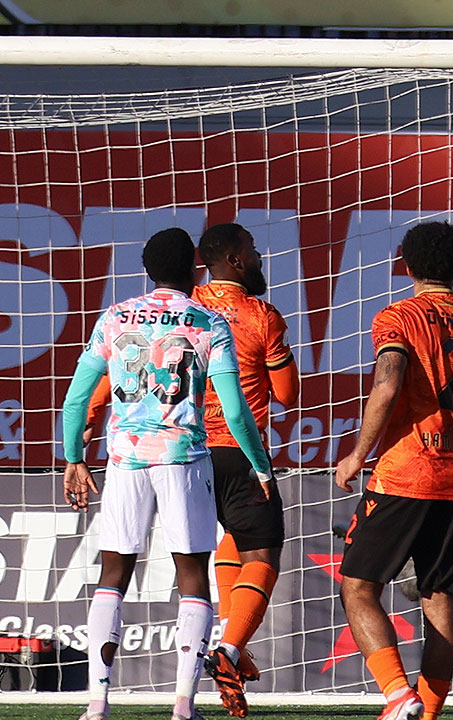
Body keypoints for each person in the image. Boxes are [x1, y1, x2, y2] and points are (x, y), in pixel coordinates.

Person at [60, 228, 275, 720]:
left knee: (112, 575)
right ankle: (183, 704)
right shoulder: (208, 321)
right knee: (193, 577)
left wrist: (75, 457)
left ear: (147, 270)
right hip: (183, 460)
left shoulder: (114, 318)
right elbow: (237, 413)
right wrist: (260, 465)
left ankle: (97, 703)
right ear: (195, 270)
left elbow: (76, 399)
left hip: (125, 460)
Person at [333, 221, 453, 720]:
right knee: (440, 605)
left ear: (407, 265)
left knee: (358, 587)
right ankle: (427, 713)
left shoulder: (399, 317)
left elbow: (389, 386)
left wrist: (356, 454)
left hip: (405, 474)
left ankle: (398, 695)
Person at [193, 223, 300, 717]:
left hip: (182, 454)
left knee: (224, 543)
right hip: (239, 453)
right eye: (253, 252)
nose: (259, 258)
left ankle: (217, 659)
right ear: (236, 260)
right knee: (263, 551)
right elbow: (287, 395)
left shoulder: (184, 306)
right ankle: (228, 651)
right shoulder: (261, 315)